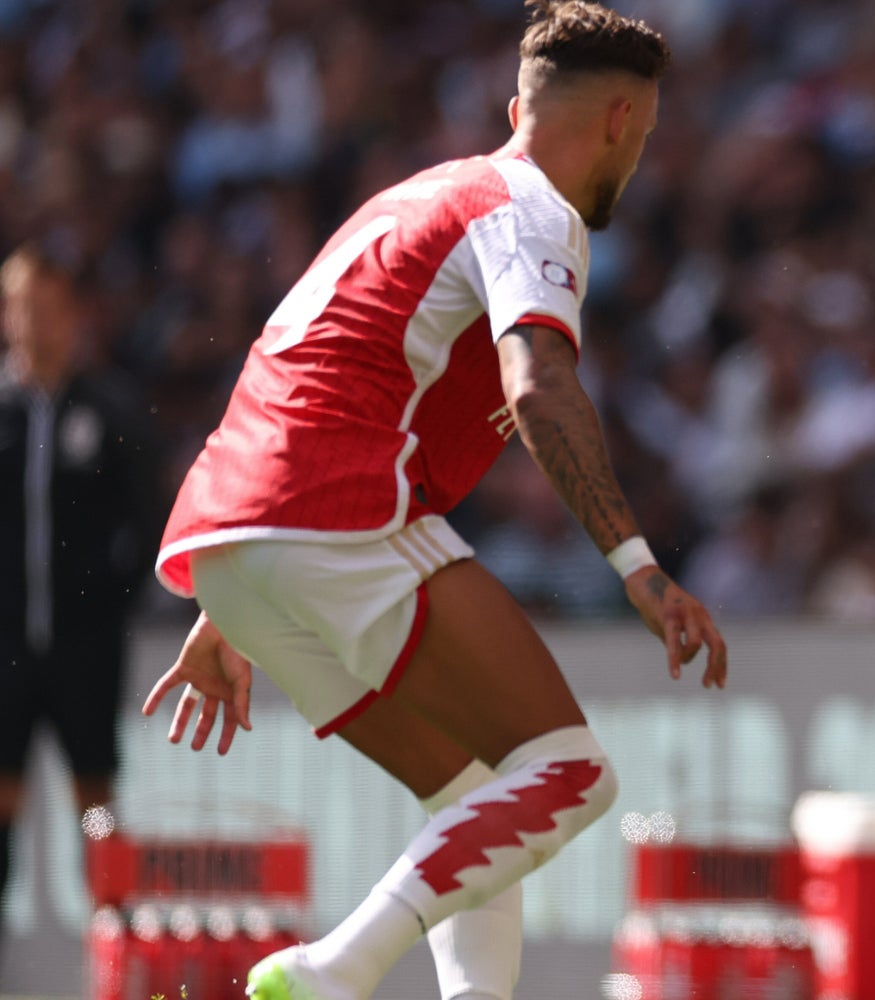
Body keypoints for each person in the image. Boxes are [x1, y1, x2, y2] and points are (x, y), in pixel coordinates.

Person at [139, 3, 728, 998]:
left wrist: (231, 593)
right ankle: (334, 970)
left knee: (475, 796)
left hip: (232, 529)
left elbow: (314, 366)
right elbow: (536, 386)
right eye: (649, 135)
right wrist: (639, 565)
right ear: (622, 121)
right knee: (571, 774)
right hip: (338, 511)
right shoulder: (536, 209)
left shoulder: (413, 197)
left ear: (514, 107)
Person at [0, 240, 158, 971]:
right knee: (4, 797)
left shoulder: (108, 409)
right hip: (5, 653)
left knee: (94, 800)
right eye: (22, 305)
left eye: (49, 306)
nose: (35, 320)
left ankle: (114, 960)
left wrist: (107, 604)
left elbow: (147, 517)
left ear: (73, 315)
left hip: (83, 652)